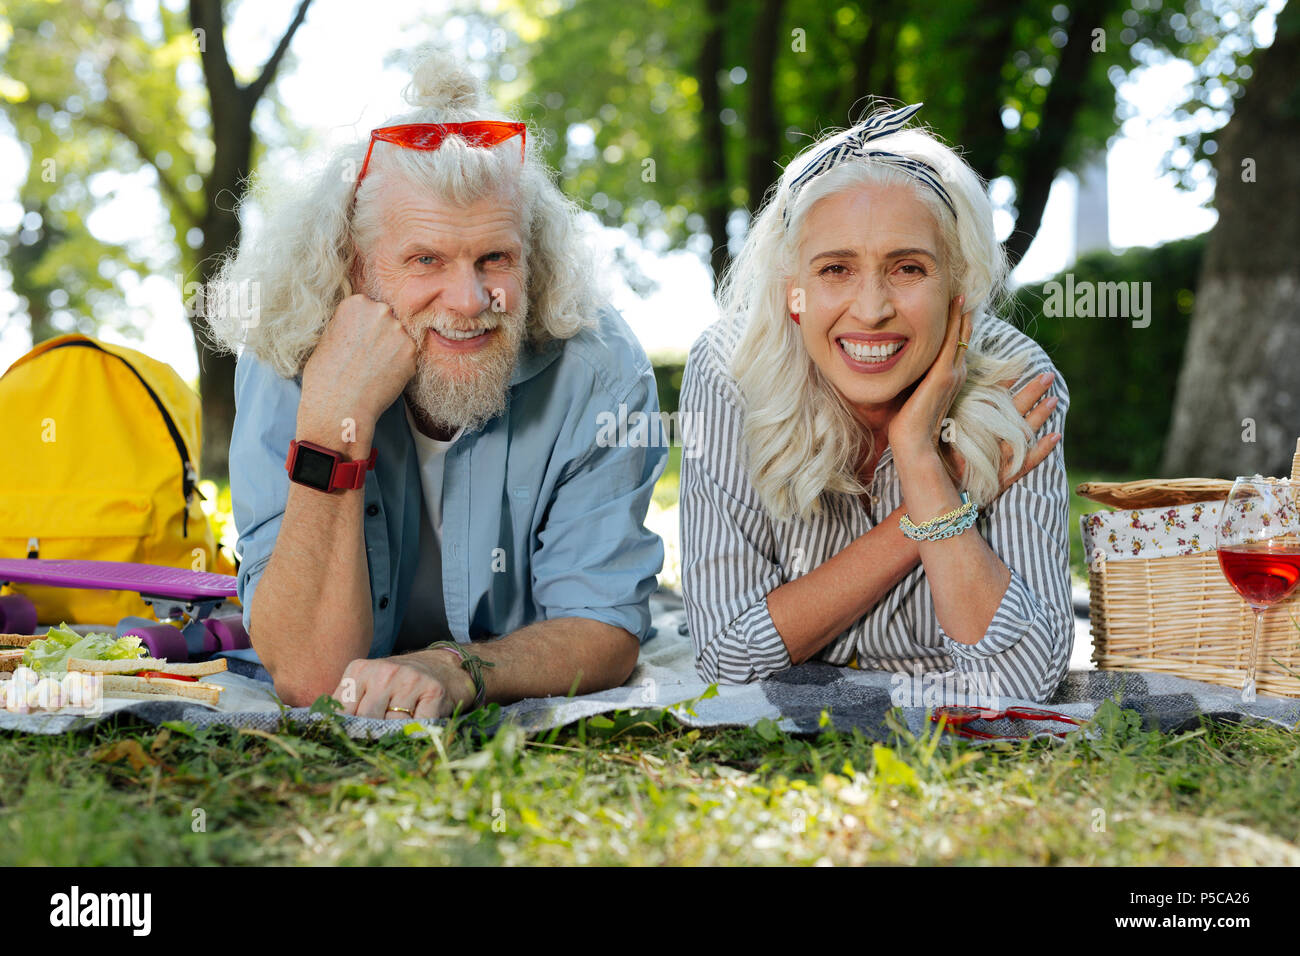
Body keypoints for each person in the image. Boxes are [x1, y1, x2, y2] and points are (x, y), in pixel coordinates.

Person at [203, 51, 665, 717]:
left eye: (495, 258)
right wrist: (335, 421)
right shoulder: (287, 351)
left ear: (530, 257)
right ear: (358, 269)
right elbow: (309, 677)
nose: (470, 298)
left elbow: (603, 627)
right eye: (426, 259)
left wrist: (459, 669)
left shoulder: (601, 368)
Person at [680, 103, 1072, 704]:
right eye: (836, 268)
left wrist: (917, 454)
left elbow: (1023, 681)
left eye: (908, 268)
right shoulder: (733, 371)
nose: (871, 309)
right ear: (793, 291)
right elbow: (725, 657)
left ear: (959, 286)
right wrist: (931, 507)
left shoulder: (1014, 383)